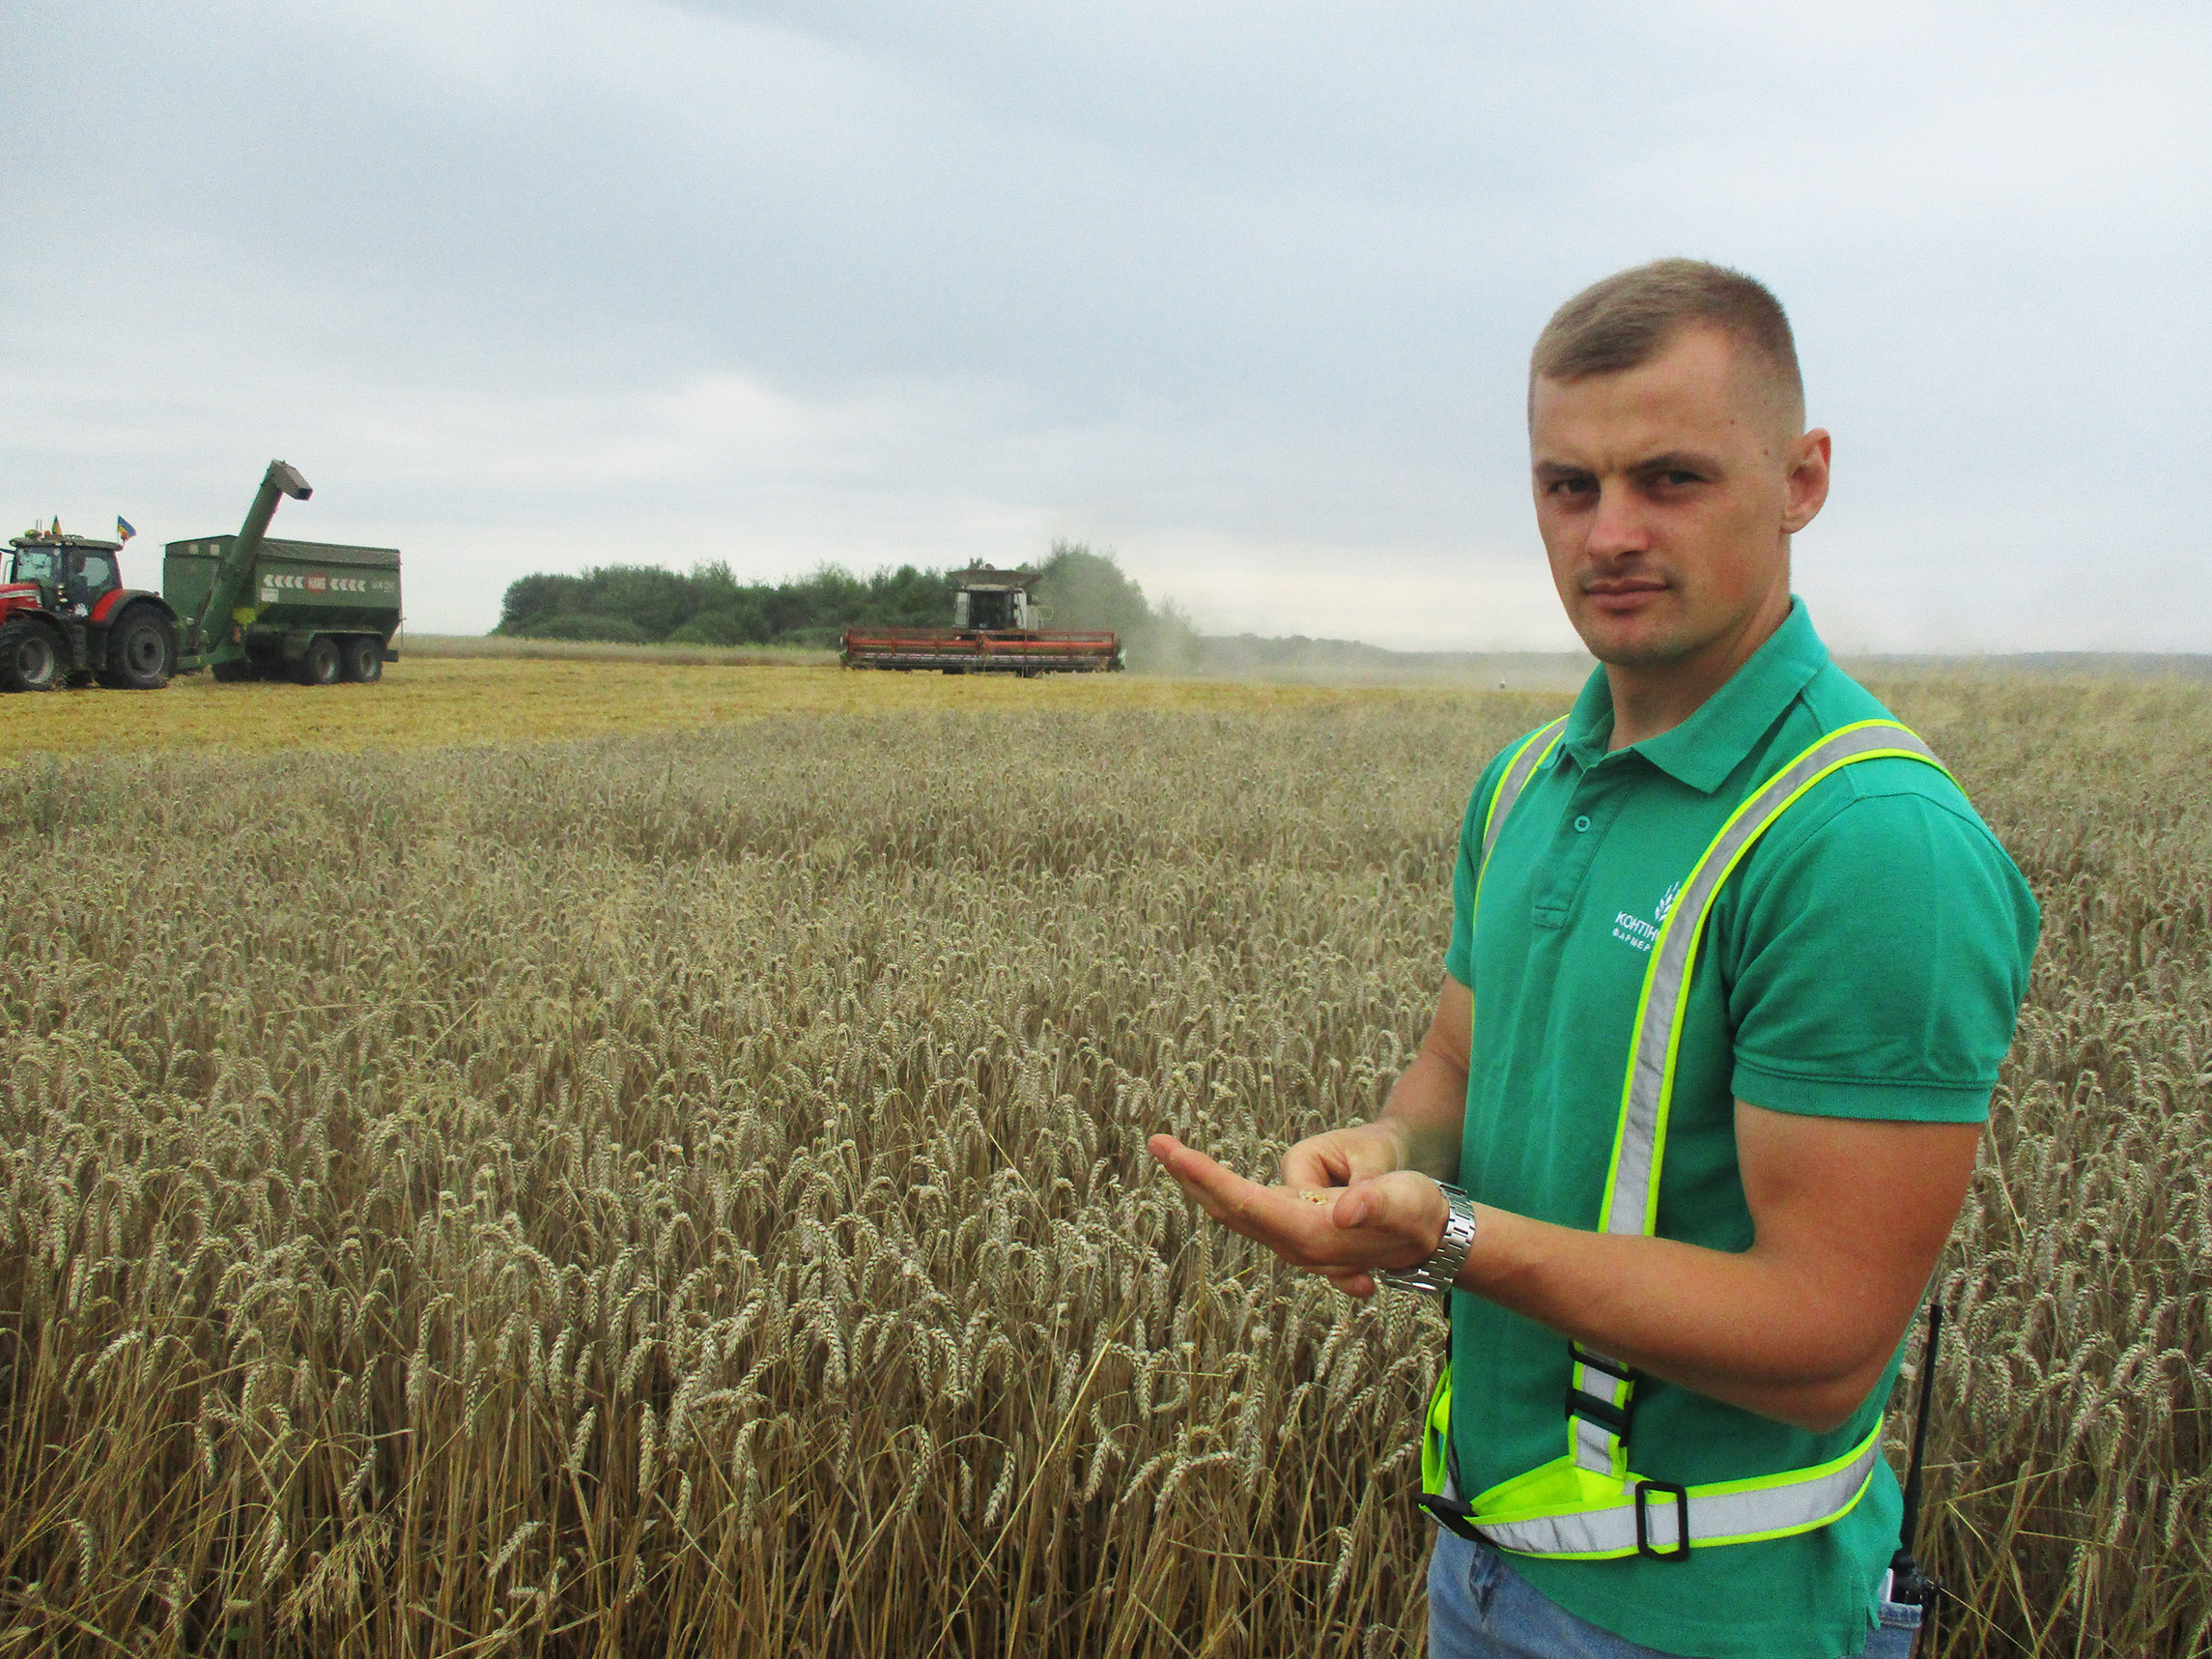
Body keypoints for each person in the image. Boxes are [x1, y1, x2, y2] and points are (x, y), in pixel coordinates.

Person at [1149, 259, 2039, 1659]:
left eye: (1668, 479)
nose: (1608, 532)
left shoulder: (1868, 843)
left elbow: (1822, 1342)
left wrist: (1442, 1236)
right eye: (1568, 487)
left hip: (1712, 1619)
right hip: (1485, 1566)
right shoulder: (1525, 785)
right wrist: (1382, 1148)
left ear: (1802, 478)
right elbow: (1458, 1058)